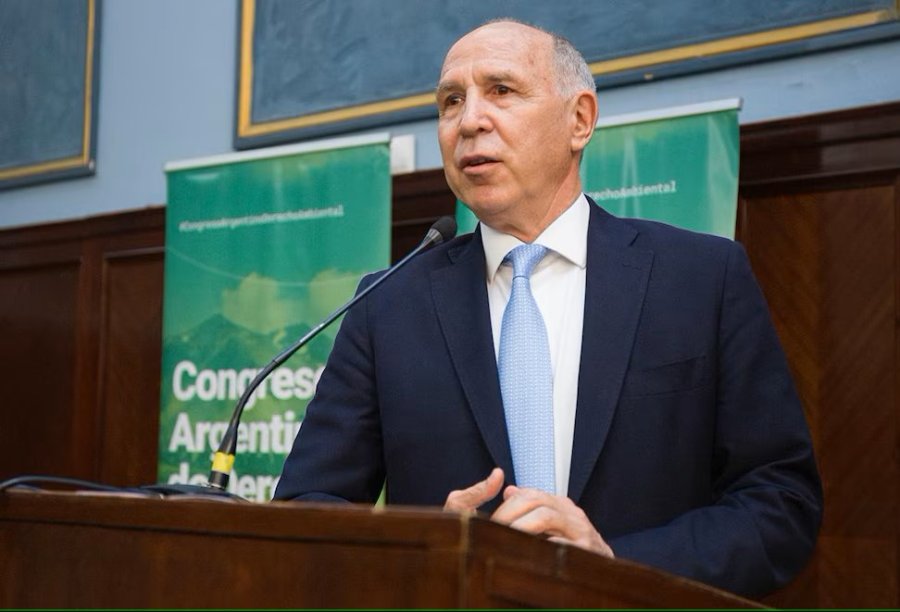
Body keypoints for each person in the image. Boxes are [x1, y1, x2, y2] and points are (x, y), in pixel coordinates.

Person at [274, 19, 822, 598]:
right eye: (450, 101)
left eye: (501, 91)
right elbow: (307, 508)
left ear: (579, 120)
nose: (469, 121)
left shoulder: (702, 279)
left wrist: (612, 562)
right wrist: (423, 545)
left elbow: (779, 502)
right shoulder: (387, 304)